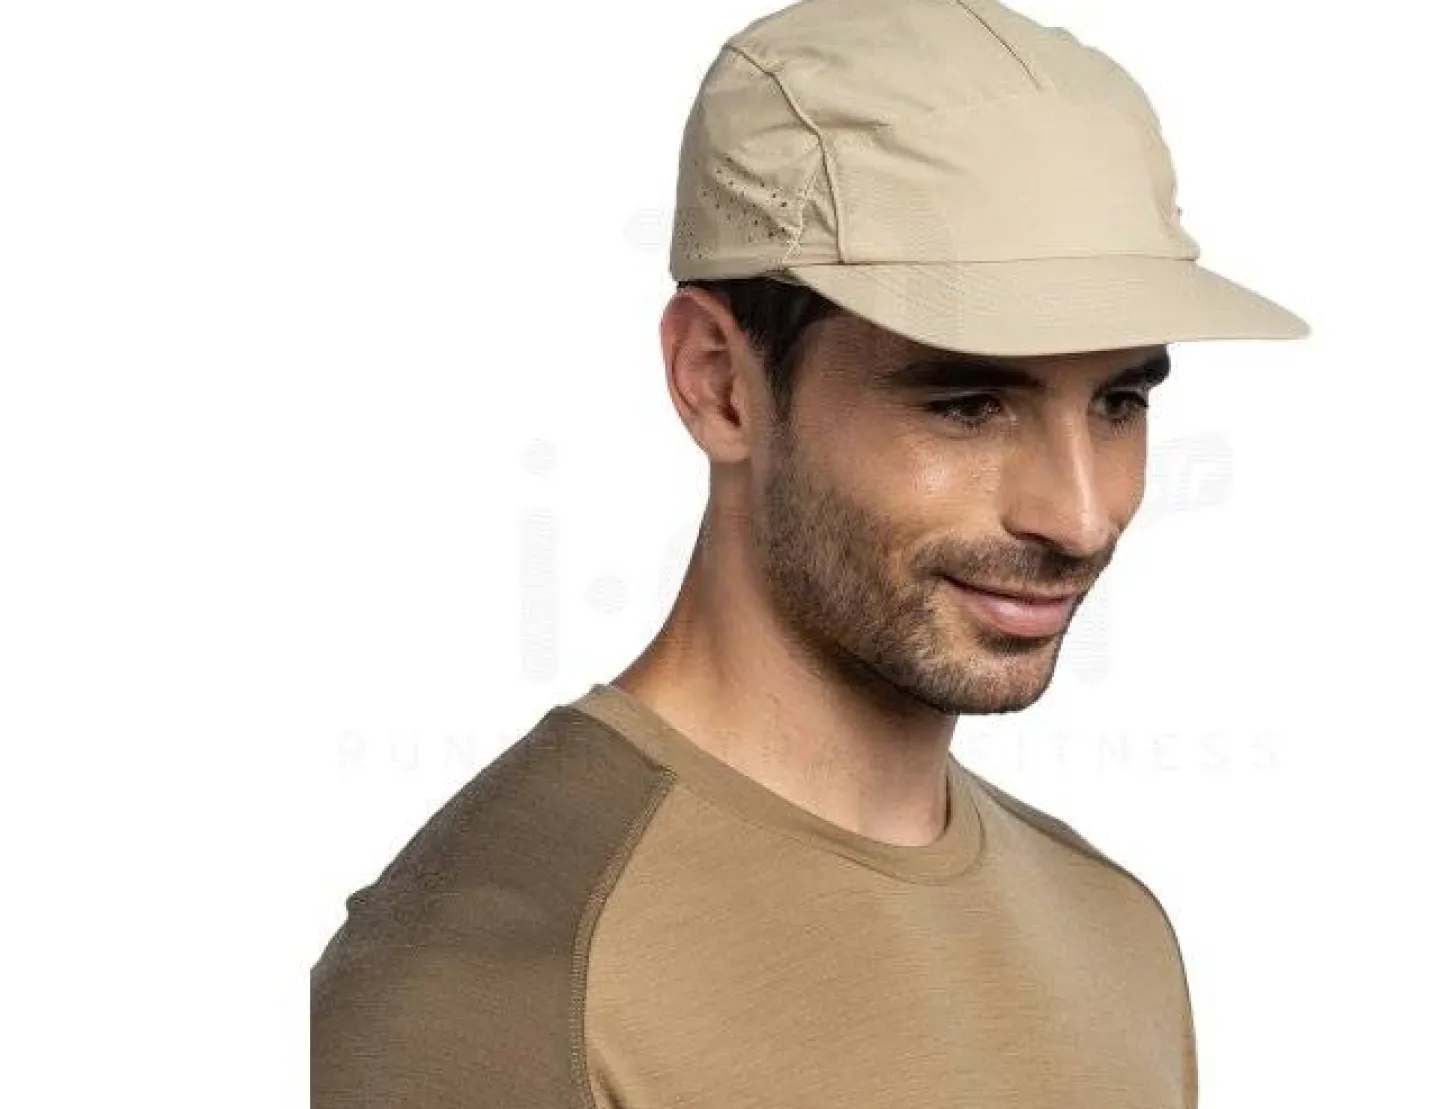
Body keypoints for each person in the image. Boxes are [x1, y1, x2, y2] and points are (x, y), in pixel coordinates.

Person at [310, 0, 1309, 1105]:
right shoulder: (493, 987)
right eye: (967, 403)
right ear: (717, 382)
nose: (1078, 515)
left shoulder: (1113, 931)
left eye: (1118, 400)